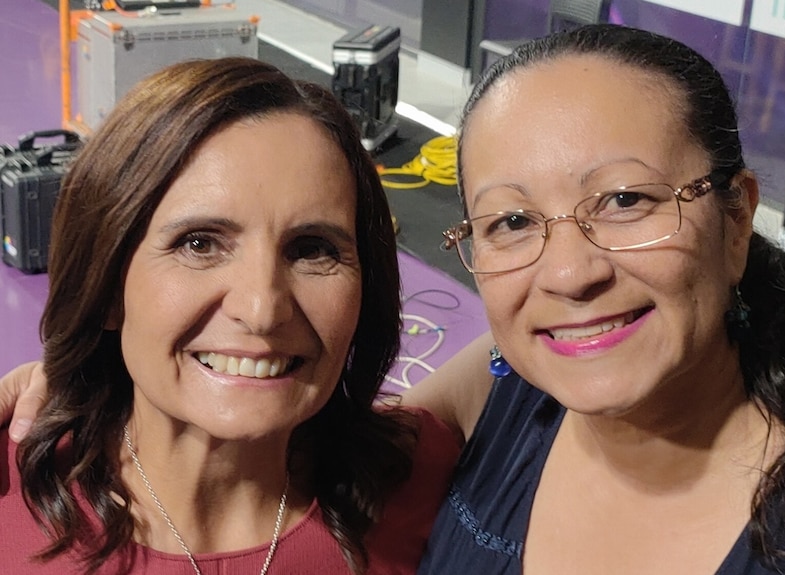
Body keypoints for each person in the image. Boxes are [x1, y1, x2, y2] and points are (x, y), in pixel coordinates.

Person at [5, 25, 785, 574]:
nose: (568, 276)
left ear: (738, 214)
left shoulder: (404, 477)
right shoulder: (480, 421)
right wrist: (81, 375)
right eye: (513, 220)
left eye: (627, 201)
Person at [0, 56, 458, 574]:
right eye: (199, 243)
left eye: (312, 249)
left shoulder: (422, 477)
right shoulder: (8, 494)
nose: (263, 310)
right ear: (106, 286)